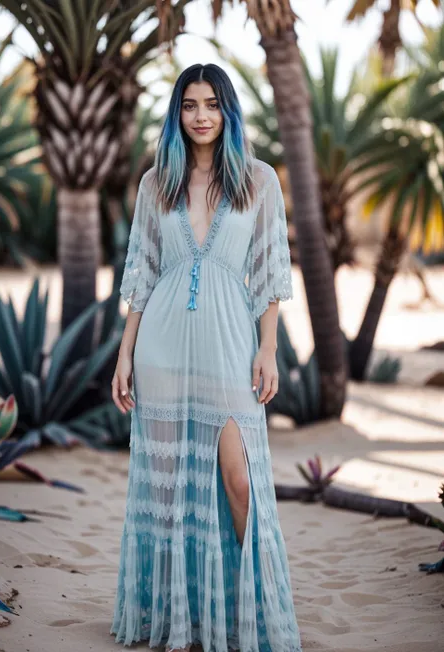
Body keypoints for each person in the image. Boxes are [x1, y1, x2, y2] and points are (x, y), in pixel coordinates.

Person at [110, 62, 302, 652]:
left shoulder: (258, 180)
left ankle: (256, 614)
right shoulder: (155, 184)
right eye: (190, 105)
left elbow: (270, 271)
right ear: (177, 113)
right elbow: (141, 275)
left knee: (238, 481)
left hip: (228, 347)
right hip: (162, 349)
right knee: (166, 497)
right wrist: (124, 356)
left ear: (228, 111)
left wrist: (268, 347)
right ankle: (178, 622)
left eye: (212, 104)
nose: (201, 116)